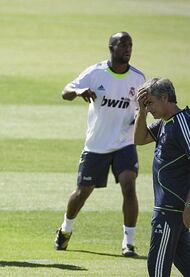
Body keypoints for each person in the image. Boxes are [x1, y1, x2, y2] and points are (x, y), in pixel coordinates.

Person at [54, 32, 145, 257]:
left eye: (130, 45)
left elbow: (145, 105)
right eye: (123, 44)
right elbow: (65, 91)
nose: (128, 49)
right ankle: (65, 230)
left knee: (129, 185)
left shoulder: (138, 78)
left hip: (124, 142)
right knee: (82, 192)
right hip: (97, 145)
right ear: (111, 47)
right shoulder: (95, 72)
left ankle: (129, 243)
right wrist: (77, 92)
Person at [134, 78, 190, 276]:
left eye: (150, 103)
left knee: (157, 269)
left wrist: (189, 207)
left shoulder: (182, 123)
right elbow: (139, 139)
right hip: (171, 211)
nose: (148, 108)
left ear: (165, 97)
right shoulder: (164, 124)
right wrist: (140, 112)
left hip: (171, 212)